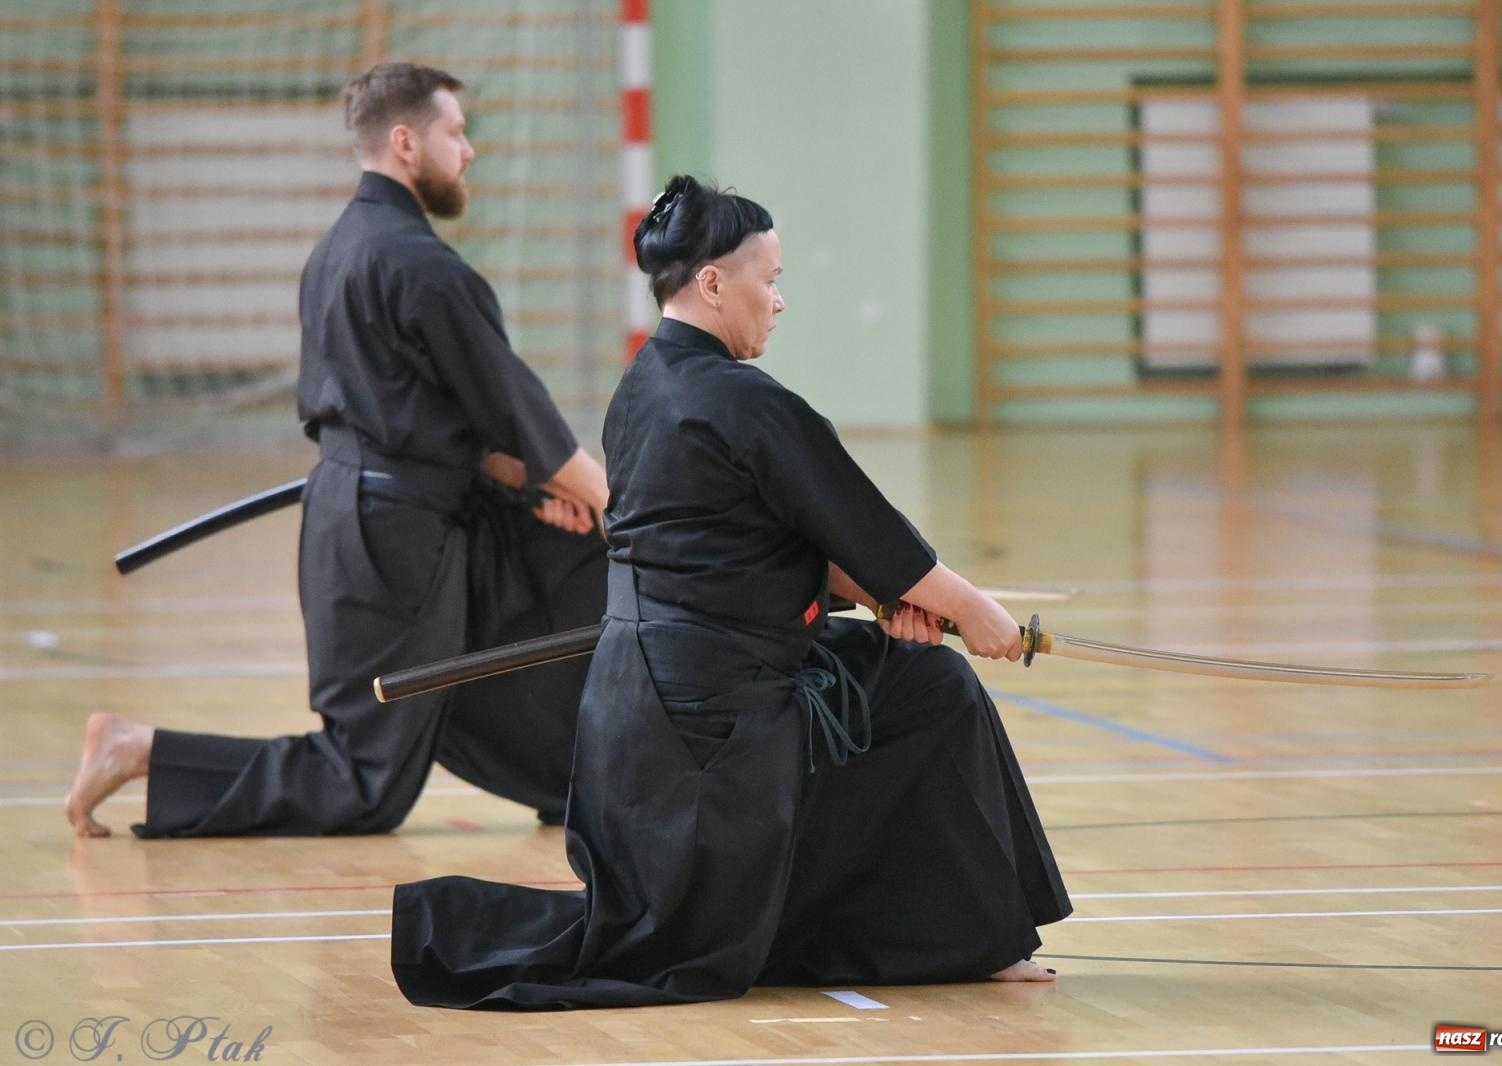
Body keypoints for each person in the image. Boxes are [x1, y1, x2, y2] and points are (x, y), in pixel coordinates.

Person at [389, 175, 1072, 1010]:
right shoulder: (744, 402)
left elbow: (779, 544)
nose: (779, 302)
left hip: (640, 699)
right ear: (713, 282)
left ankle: (963, 933)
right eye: (770, 279)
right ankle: (969, 936)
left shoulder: (642, 386)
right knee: (941, 687)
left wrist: (897, 602)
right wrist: (975, 614)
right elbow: (876, 540)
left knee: (925, 687)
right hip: (715, 713)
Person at [65, 62, 609, 838]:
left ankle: (579, 780)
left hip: (381, 514)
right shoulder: (425, 270)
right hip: (392, 534)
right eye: (455, 133)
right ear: (403, 142)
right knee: (364, 783)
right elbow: (538, 436)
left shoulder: (336, 254)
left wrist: (535, 488)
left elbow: (443, 425)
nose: (469, 151)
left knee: (549, 605)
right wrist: (632, 516)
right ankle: (141, 749)